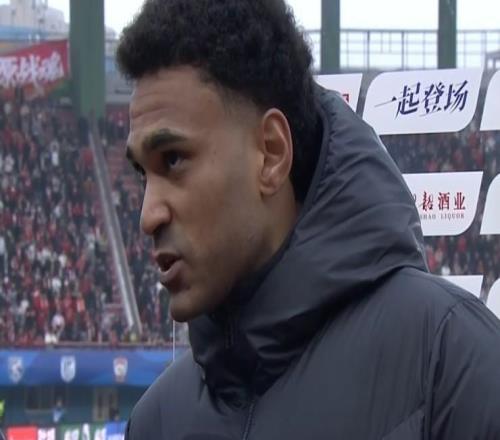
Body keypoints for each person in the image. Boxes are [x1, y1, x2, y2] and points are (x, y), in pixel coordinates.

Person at [116, 0, 500, 438]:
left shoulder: (451, 363)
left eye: (173, 159)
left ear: (271, 153)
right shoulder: (155, 421)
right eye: (142, 173)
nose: (148, 215)